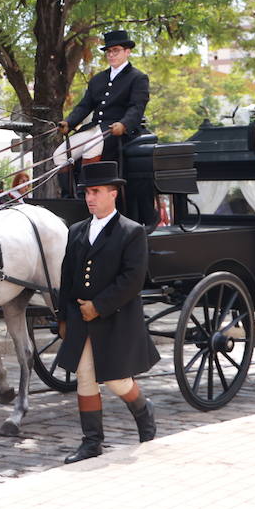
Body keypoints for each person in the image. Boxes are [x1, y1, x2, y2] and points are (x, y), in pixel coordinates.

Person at [56, 161, 159, 463]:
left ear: (113, 193)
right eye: (87, 192)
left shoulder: (131, 231)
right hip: (80, 319)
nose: (90, 198)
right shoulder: (76, 231)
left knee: (115, 381)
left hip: (115, 319)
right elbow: (67, 276)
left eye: (97, 191)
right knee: (85, 377)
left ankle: (143, 409)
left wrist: (98, 306)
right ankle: (92, 443)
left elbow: (132, 279)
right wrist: (62, 317)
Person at [57, 29, 150, 177]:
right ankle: (69, 196)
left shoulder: (138, 78)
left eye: (116, 51)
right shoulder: (98, 79)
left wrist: (124, 124)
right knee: (60, 154)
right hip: (95, 128)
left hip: (117, 131)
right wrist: (69, 122)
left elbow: (136, 107)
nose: (111, 55)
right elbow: (85, 105)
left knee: (90, 149)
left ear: (127, 52)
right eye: (109, 51)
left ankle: (87, 191)